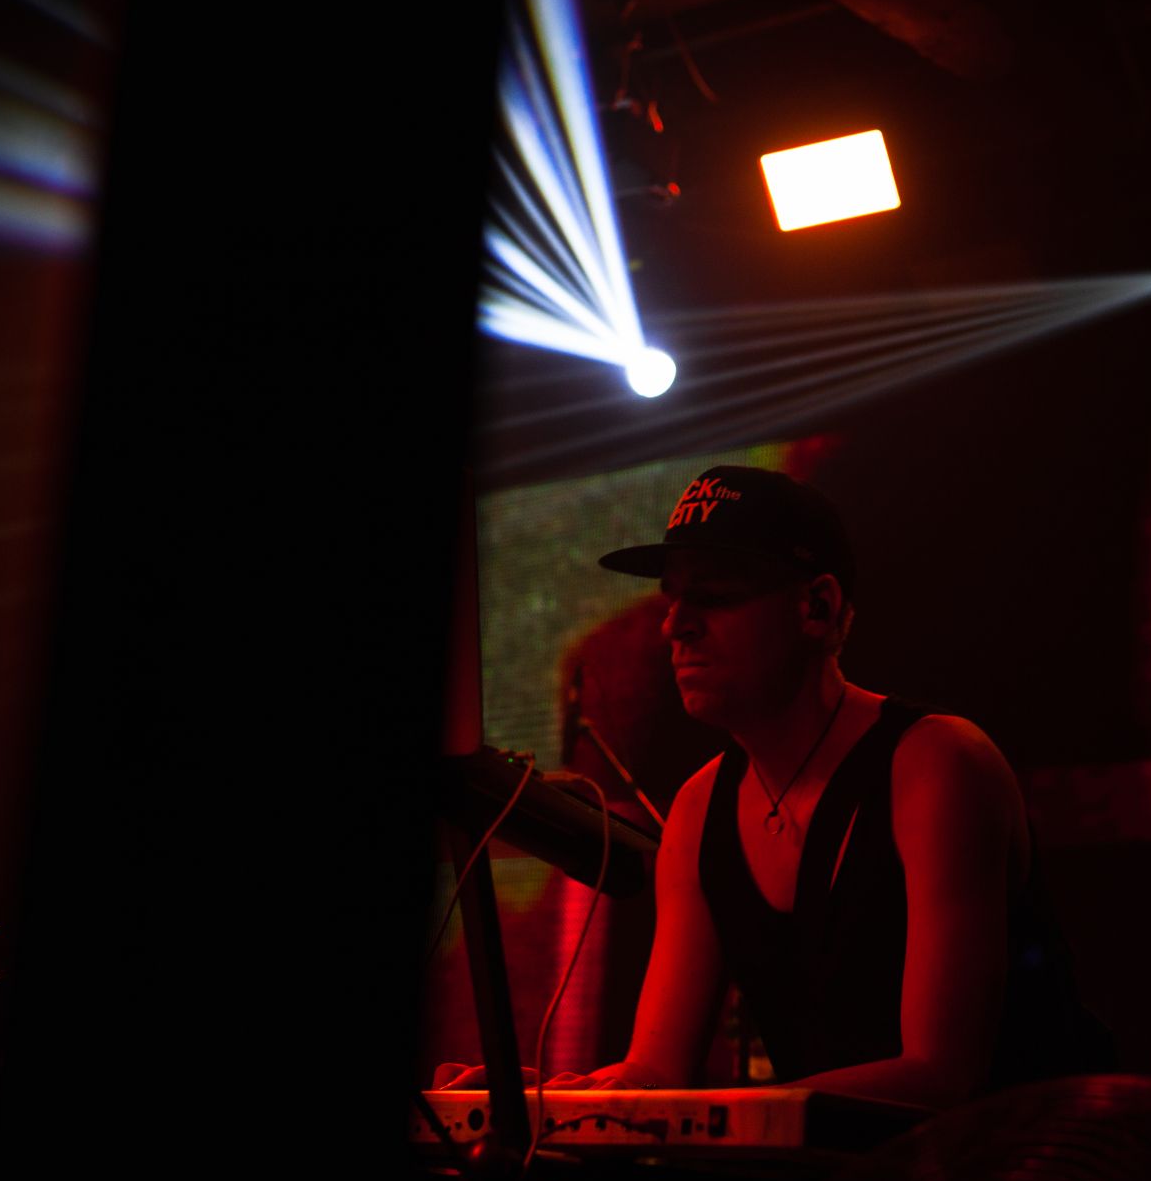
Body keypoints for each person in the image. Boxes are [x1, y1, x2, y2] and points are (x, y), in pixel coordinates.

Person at [437, 465, 1106, 1108]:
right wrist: (534, 1102)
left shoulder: (936, 764)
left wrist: (728, 1112)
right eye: (672, 598)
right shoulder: (700, 808)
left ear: (817, 607)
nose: (674, 625)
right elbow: (654, 1075)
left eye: (713, 595)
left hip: (1037, 1168)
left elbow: (942, 1076)